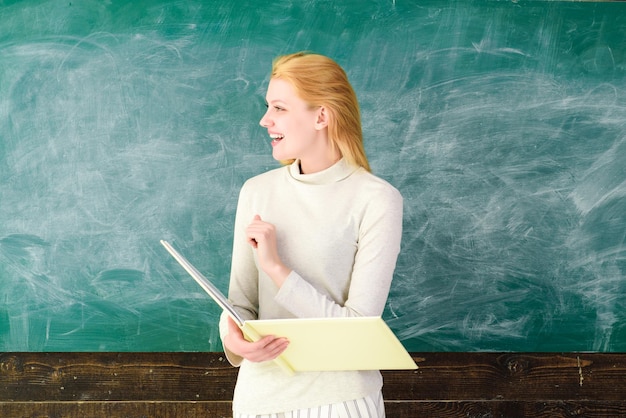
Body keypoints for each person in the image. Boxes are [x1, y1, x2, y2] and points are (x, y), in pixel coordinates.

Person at [219, 51, 403, 418]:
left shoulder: (377, 199)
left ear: (321, 116)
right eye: (268, 107)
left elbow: (357, 332)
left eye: (279, 108)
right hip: (259, 400)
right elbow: (239, 303)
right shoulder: (256, 191)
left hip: (342, 402)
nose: (265, 120)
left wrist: (276, 268)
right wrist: (232, 337)